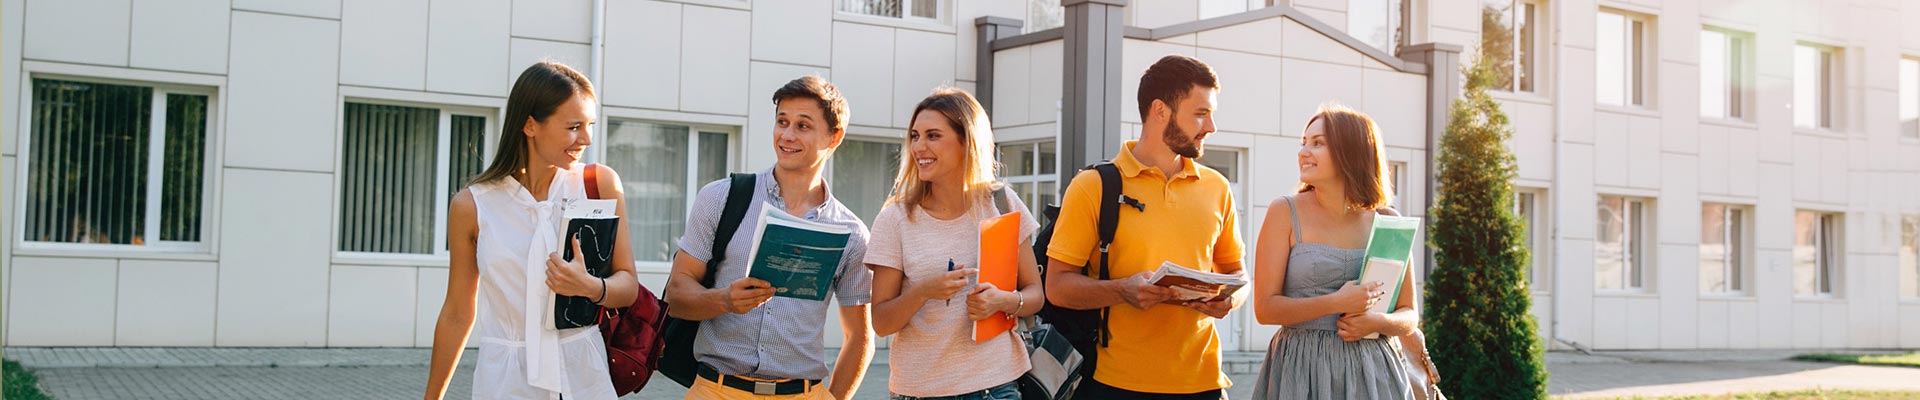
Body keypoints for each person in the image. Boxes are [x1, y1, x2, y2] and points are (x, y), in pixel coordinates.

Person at [425, 61, 642, 400]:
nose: (586, 138)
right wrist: (432, 396)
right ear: (529, 125)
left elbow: (628, 285)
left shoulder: (598, 184)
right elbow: (457, 312)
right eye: (573, 127)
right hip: (505, 382)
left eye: (590, 125)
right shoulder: (472, 205)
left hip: (583, 378)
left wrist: (590, 286)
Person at [1044, 54, 1244, 399]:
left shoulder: (1217, 187)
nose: (1211, 126)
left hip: (1204, 384)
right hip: (1116, 384)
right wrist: (1121, 290)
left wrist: (1230, 300)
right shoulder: (1093, 186)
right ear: (1160, 110)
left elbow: (1238, 275)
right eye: (1200, 113)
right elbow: (1057, 287)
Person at [664, 76, 876, 400]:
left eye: (803, 126)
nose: (787, 135)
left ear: (835, 137)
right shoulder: (720, 198)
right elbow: (677, 295)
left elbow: (859, 337)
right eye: (782, 122)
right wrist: (724, 301)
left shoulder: (851, 234)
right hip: (717, 390)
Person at [865, 88, 1043, 400]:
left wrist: (1002, 300)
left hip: (995, 386)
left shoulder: (1001, 202)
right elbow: (880, 322)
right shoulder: (895, 218)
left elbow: (1035, 295)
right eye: (915, 136)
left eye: (933, 135)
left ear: (966, 141)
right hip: (919, 391)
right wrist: (924, 292)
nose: (919, 147)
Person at [1250, 104, 1418, 399]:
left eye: (1318, 143)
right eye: (1303, 142)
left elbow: (1410, 315)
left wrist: (1377, 322)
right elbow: (1265, 309)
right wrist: (1335, 302)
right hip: (1302, 370)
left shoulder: (1388, 221)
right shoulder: (1284, 212)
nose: (1304, 152)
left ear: (1350, 152)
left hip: (1374, 372)